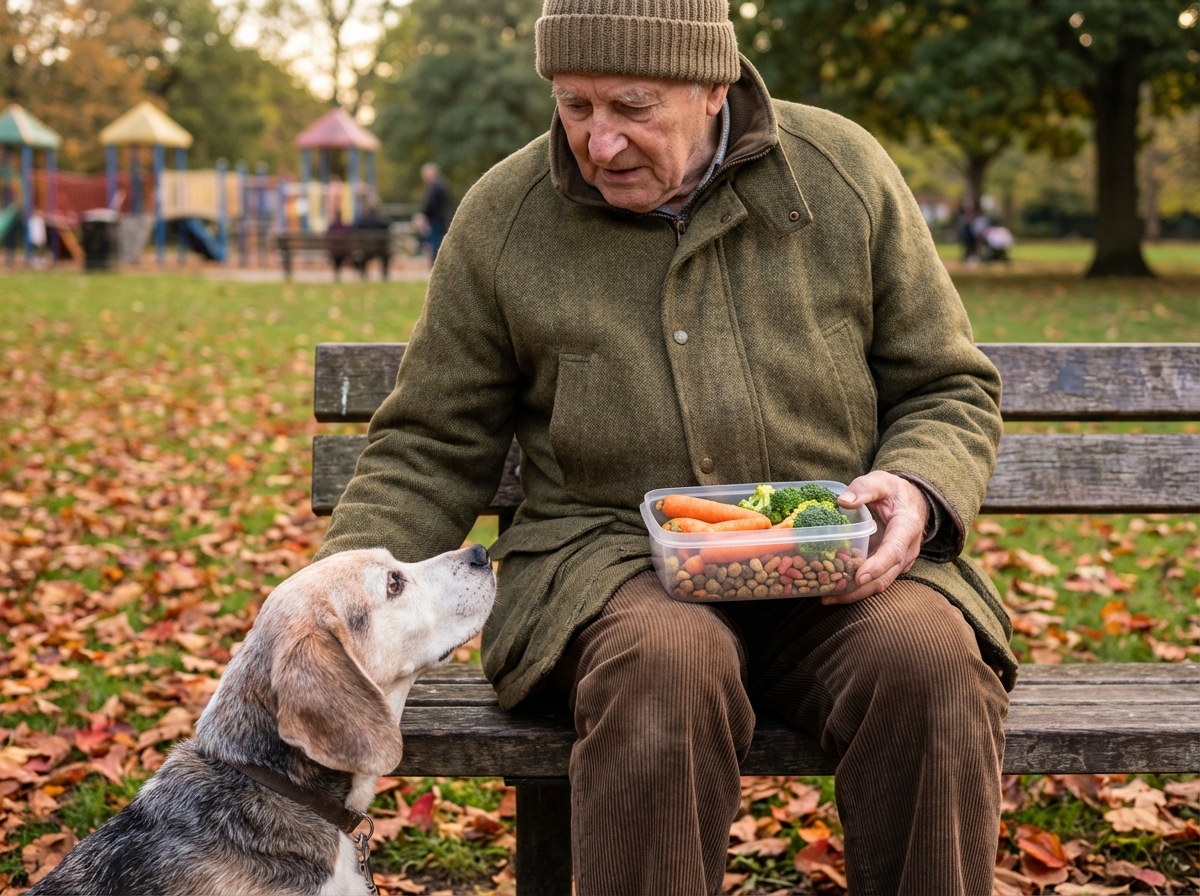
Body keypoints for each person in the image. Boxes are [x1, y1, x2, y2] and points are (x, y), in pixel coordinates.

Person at [316, 1, 1014, 892]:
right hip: (607, 569)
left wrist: (917, 485)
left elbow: (947, 385)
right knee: (666, 666)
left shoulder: (841, 174)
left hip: (828, 560)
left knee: (928, 666)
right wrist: (328, 607)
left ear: (714, 85)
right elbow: (429, 443)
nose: (597, 143)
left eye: (632, 106)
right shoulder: (505, 218)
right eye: (575, 105)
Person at [419, 162, 451, 263]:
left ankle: (436, 263)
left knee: (436, 242)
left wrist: (423, 216)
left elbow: (430, 204)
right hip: (442, 218)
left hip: (436, 219)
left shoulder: (434, 186)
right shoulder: (442, 184)